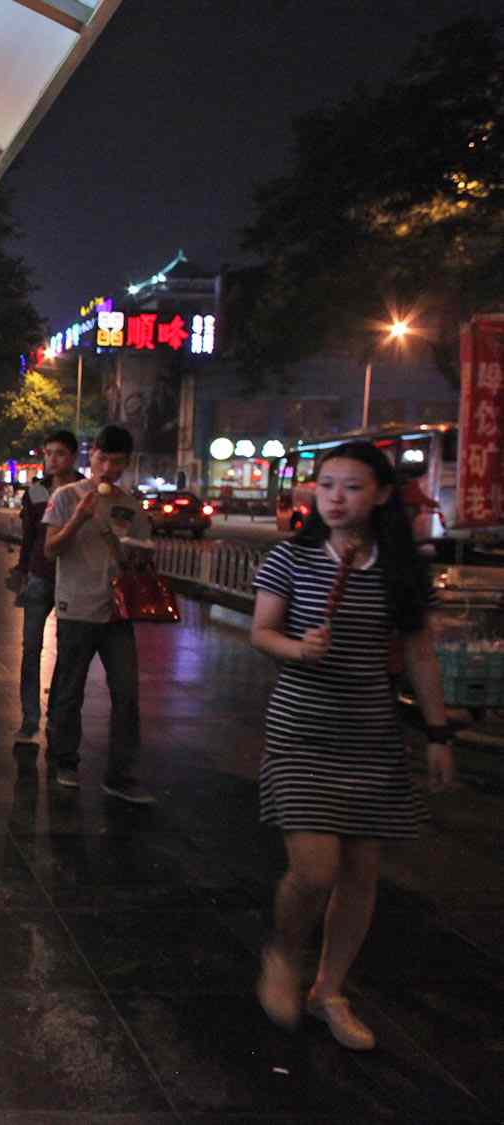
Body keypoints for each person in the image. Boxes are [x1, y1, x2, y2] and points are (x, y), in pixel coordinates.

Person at [249, 441, 452, 1051]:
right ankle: (285, 954)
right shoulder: (292, 557)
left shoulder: (399, 567)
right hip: (301, 730)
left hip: (371, 734)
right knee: (314, 870)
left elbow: (418, 653)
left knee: (361, 873)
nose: (335, 497)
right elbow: (262, 631)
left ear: (383, 495)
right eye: (326, 484)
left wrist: (438, 733)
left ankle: (329, 990)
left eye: (352, 486)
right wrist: (296, 649)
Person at [42, 424, 156, 804]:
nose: (107, 469)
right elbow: (51, 550)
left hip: (117, 612)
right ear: (91, 456)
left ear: (126, 464)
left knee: (126, 693)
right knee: (70, 688)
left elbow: (140, 552)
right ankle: (65, 760)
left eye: (116, 463)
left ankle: (121, 774)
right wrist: (78, 517)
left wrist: (137, 554)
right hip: (76, 605)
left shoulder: (130, 505)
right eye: (102, 459)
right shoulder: (65, 495)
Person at [10, 430, 82, 741]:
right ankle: (29, 717)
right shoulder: (36, 492)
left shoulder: (85, 491)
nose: (53, 459)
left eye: (60, 453)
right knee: (31, 649)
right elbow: (29, 537)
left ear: (73, 457)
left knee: (68, 652)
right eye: (48, 453)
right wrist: (23, 571)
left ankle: (57, 714)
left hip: (75, 579)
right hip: (40, 576)